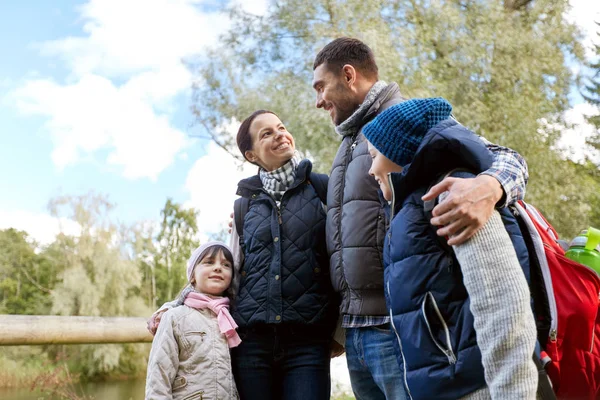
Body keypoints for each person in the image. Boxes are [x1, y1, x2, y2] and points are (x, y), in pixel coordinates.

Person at [311, 37, 530, 399]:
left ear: (348, 75)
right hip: (356, 333)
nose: (318, 100)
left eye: (321, 87)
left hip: (404, 330)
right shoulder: (345, 147)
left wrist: (490, 185)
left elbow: (503, 158)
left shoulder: (409, 120)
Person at [148, 110, 340, 400]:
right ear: (251, 155)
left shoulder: (322, 189)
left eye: (281, 127)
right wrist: (175, 304)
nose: (279, 135)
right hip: (252, 344)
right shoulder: (243, 207)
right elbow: (229, 273)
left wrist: (339, 331)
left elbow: (340, 260)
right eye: (266, 134)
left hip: (308, 342)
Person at [362, 97, 538, 399]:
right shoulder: (416, 207)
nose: (370, 170)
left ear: (398, 149)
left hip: (478, 389)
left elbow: (503, 304)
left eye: (374, 153)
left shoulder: (454, 196)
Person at [145, 241, 240, 400]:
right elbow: (159, 374)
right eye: (209, 262)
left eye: (226, 265)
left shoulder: (233, 318)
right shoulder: (174, 317)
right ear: (193, 276)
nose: (218, 267)